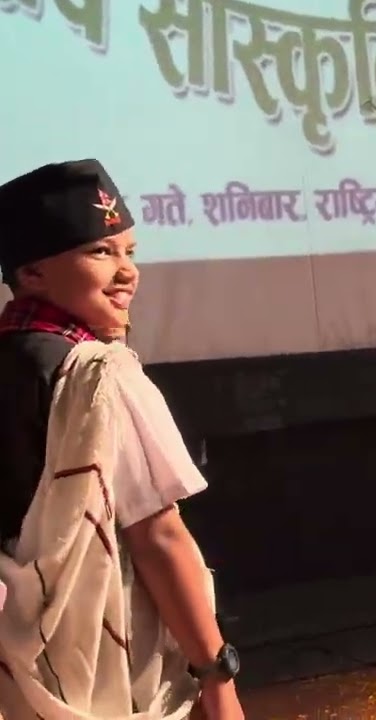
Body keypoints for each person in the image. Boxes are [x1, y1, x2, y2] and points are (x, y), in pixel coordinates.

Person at [0, 160, 242, 719]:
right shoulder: (99, 375)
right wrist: (216, 677)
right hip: (96, 669)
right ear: (32, 273)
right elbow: (158, 536)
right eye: (101, 252)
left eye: (130, 252)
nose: (127, 271)